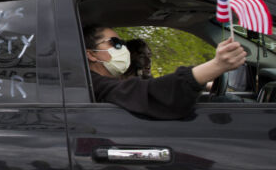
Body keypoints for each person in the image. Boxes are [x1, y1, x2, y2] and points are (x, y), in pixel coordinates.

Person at [84, 25, 246, 119]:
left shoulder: (108, 81)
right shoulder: (92, 84)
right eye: (116, 43)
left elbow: (146, 85)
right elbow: (149, 93)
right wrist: (217, 65)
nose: (124, 50)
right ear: (91, 54)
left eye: (124, 44)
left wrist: (204, 84)